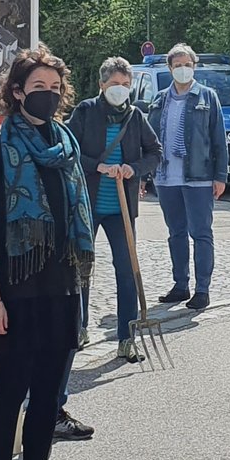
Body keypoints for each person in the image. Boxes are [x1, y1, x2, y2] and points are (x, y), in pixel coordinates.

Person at [0, 50, 93, 460]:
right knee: (10, 397)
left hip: (61, 287)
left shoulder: (65, 144)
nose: (48, 94)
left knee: (46, 398)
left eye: (55, 87)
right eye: (38, 86)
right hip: (15, 294)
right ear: (17, 91)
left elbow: (75, 217)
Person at [68, 57, 161, 361]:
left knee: (127, 269)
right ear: (101, 85)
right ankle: (79, 326)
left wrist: (134, 169)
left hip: (122, 207)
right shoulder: (86, 111)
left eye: (125, 85)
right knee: (80, 267)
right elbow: (70, 151)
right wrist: (99, 166)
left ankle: (126, 336)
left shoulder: (134, 117)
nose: (120, 90)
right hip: (88, 204)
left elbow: (154, 151)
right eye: (114, 85)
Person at [151, 43, 226, 310]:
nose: (183, 70)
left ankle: (202, 289)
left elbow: (219, 139)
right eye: (178, 65)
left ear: (194, 67)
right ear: (170, 68)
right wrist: (144, 173)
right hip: (166, 178)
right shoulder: (160, 99)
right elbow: (150, 139)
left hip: (199, 177)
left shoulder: (207, 97)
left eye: (187, 65)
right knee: (176, 234)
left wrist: (220, 175)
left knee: (201, 233)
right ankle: (180, 285)